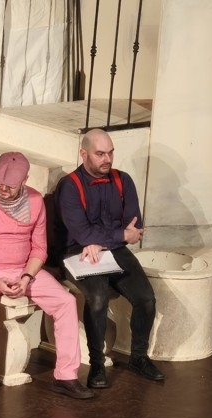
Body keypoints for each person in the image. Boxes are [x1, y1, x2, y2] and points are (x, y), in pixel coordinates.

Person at [0, 151, 94, 404]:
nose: (2, 189)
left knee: (66, 302)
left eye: (9, 186)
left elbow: (39, 248)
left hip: (25, 270)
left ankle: (66, 377)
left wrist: (27, 277)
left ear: (24, 181)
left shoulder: (35, 200)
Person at [54, 128, 165, 389]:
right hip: (77, 252)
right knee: (97, 298)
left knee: (146, 298)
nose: (108, 159)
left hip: (111, 248)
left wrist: (102, 241)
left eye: (111, 153)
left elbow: (134, 226)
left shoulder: (123, 180)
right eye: (100, 154)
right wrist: (112, 236)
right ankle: (97, 364)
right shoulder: (69, 186)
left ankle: (139, 357)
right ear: (83, 154)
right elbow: (81, 233)